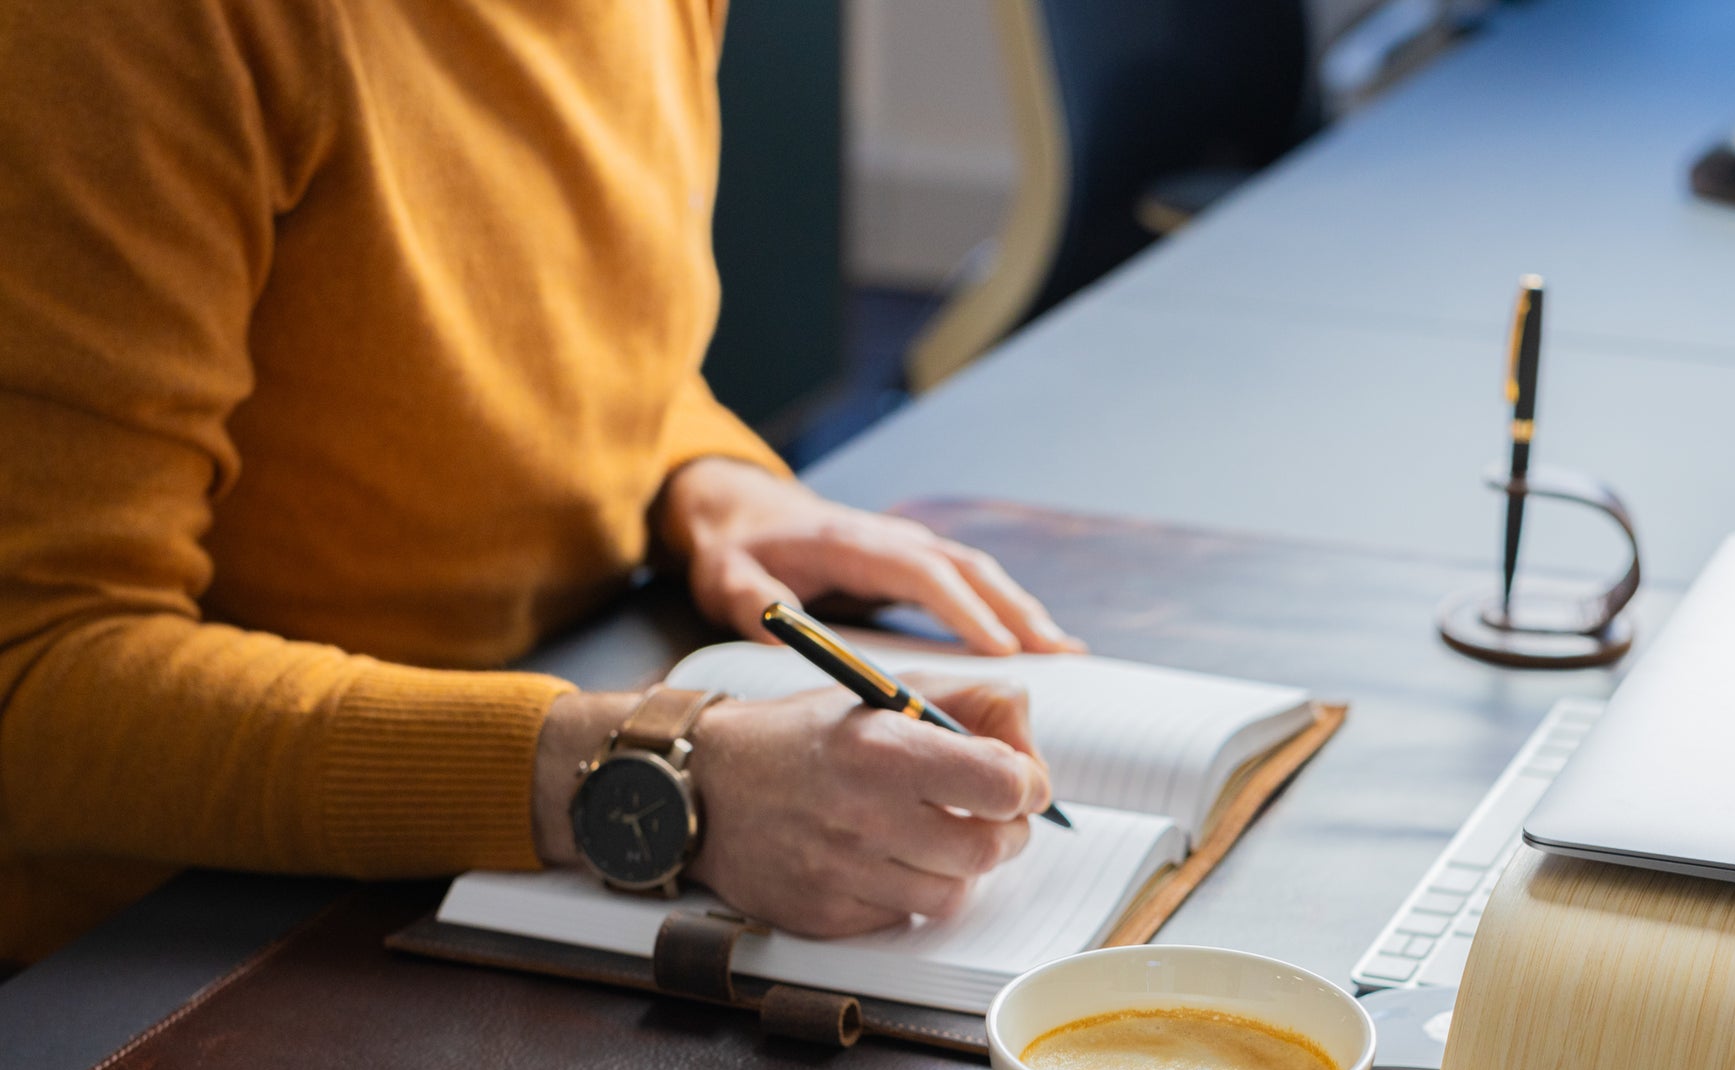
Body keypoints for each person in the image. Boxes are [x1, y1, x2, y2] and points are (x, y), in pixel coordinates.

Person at [0, 0, 1082, 970]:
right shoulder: (120, 30)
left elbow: (573, 338)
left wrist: (700, 470)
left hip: (529, 809)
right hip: (188, 946)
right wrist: (648, 776)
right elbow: (33, 670)